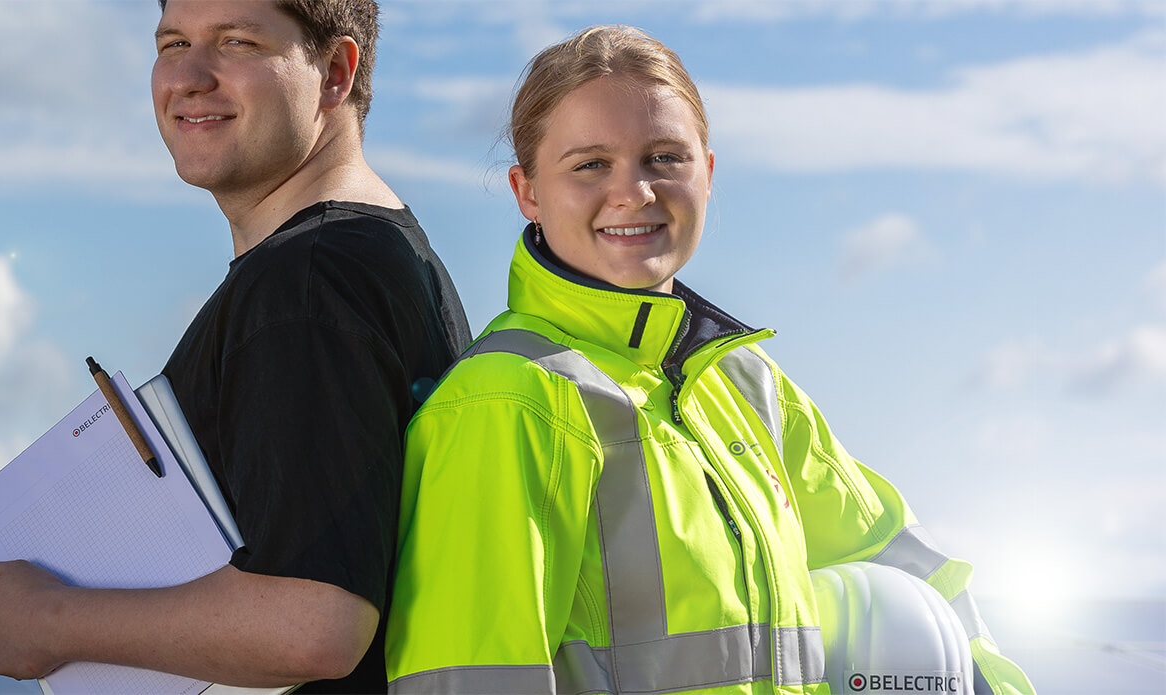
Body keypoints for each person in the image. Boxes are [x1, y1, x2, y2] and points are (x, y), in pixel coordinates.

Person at [383, 26, 1035, 695]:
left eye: (665, 157)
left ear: (709, 172)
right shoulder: (507, 401)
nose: (634, 191)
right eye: (590, 165)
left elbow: (911, 569)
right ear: (527, 191)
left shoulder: (747, 387)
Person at [0, 1, 470, 692]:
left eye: (236, 41)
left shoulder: (309, 280)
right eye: (172, 43)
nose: (190, 77)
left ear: (336, 72)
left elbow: (314, 624)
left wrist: (50, 619)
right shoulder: (375, 254)